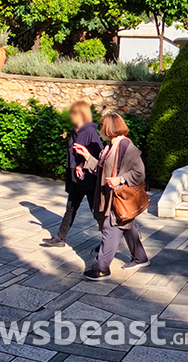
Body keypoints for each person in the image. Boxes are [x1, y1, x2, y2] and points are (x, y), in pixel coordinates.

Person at [77, 112, 150, 280]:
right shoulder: (110, 147)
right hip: (110, 197)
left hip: (117, 198)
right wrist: (87, 157)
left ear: (109, 128)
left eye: (102, 125)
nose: (101, 129)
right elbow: (101, 172)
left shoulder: (125, 146)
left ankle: (101, 268)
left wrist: (121, 179)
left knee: (111, 229)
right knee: (126, 225)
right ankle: (140, 258)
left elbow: (140, 173)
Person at [41, 101, 103, 248]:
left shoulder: (89, 131)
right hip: (74, 175)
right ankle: (60, 237)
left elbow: (98, 154)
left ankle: (109, 240)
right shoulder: (76, 130)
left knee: (96, 211)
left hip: (87, 177)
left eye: (73, 113)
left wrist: (82, 164)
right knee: (71, 207)